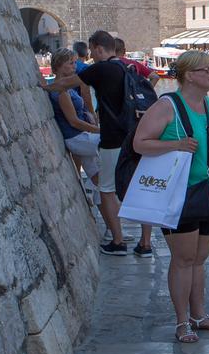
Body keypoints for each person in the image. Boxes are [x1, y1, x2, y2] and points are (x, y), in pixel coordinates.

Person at [131, 51, 209, 342]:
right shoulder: (166, 106)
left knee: (199, 258)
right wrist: (176, 145)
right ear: (190, 76)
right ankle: (182, 322)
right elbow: (139, 143)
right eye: (206, 69)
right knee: (183, 258)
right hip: (179, 195)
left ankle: (199, 315)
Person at [40, 30, 142, 256]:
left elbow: (66, 84)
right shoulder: (122, 66)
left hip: (110, 138)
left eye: (91, 52)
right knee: (101, 181)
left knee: (105, 189)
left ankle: (118, 241)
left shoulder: (100, 69)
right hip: (124, 134)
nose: (89, 57)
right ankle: (118, 233)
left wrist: (43, 86)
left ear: (98, 48)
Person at [47, 49, 100, 183]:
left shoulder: (63, 88)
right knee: (115, 142)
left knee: (96, 176)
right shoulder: (62, 92)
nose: (74, 66)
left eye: (75, 63)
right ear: (59, 65)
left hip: (80, 137)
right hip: (77, 138)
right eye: (71, 63)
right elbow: (74, 121)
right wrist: (99, 130)